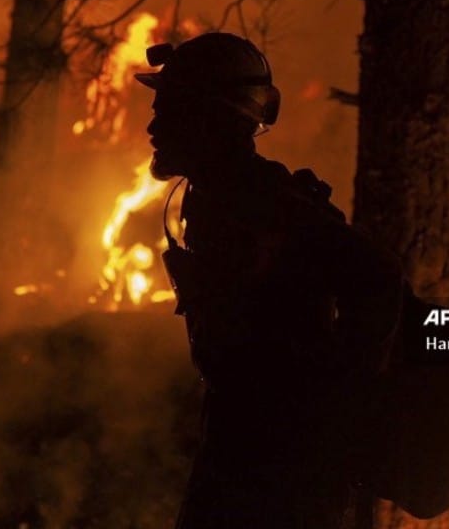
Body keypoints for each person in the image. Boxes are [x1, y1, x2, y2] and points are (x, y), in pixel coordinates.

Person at [136, 32, 404, 529]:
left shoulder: (267, 202)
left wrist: (330, 401)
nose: (153, 125)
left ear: (210, 117)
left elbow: (378, 279)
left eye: (169, 108)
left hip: (283, 475)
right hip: (242, 454)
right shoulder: (219, 199)